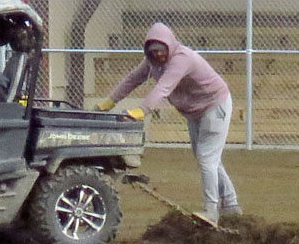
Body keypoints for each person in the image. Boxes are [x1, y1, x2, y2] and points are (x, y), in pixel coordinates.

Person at [97, 22, 241, 226]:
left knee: (207, 158)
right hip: (194, 112)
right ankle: (231, 205)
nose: (158, 55)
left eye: (161, 50)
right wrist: (109, 102)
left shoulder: (182, 59)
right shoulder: (151, 63)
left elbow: (164, 88)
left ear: (169, 46)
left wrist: (142, 110)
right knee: (208, 157)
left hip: (214, 105)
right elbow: (132, 80)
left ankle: (211, 211)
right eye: (153, 51)